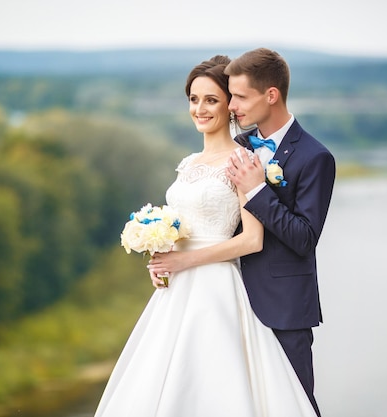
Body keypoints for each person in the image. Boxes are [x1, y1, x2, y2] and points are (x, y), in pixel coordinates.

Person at [94, 55, 318, 416]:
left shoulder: (246, 161)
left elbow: (252, 241)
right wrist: (161, 250)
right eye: (194, 99)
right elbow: (187, 226)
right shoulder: (188, 163)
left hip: (217, 290)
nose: (200, 108)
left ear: (230, 105)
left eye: (211, 100)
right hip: (176, 292)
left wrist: (184, 260)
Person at [149, 48, 335, 416]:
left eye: (239, 97)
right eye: (229, 96)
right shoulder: (238, 148)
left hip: (281, 305)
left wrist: (259, 190)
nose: (232, 106)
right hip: (219, 298)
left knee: (292, 404)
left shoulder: (315, 157)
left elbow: (304, 238)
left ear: (271, 95)